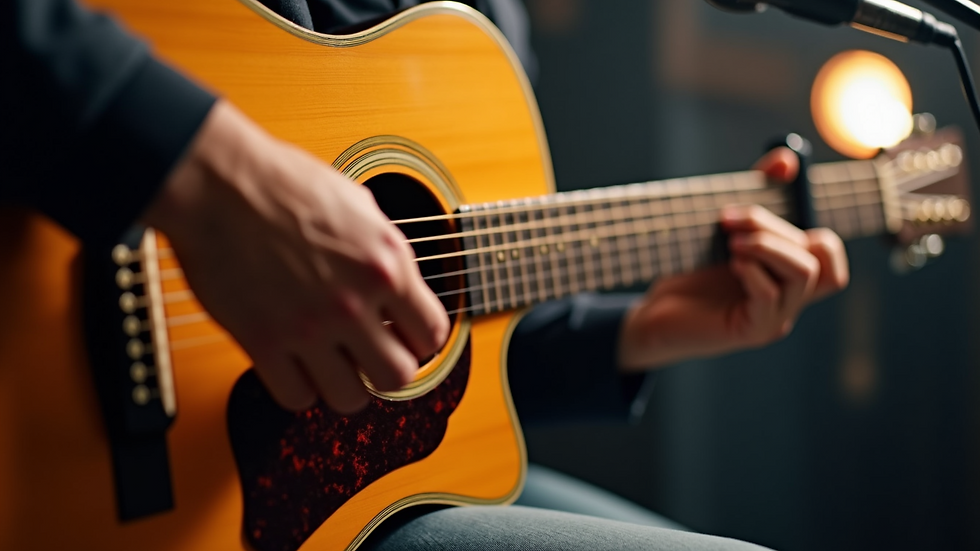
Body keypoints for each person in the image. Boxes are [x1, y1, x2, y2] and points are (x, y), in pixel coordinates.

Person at [1, 0, 849, 549]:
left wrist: (640, 331)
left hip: (283, 505)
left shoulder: (488, 21)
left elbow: (416, 364)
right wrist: (206, 170)